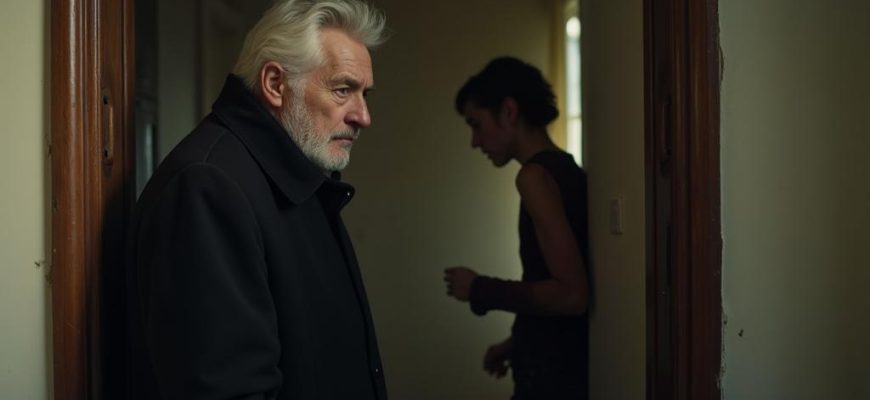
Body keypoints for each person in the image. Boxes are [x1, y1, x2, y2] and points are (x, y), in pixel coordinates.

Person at [125, 1, 388, 398]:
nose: (363, 116)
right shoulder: (207, 187)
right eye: (343, 90)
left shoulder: (296, 173)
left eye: (364, 94)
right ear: (275, 84)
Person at [444, 56, 591, 400]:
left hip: (551, 382)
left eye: (476, 124)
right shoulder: (566, 169)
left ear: (509, 111)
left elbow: (571, 295)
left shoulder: (534, 177)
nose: (474, 141)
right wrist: (514, 344)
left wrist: (479, 288)